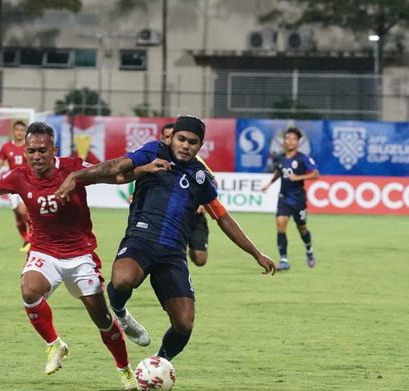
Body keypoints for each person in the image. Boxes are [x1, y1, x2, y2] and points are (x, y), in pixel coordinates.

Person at [0, 122, 168, 390]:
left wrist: (143, 170)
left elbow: (116, 177)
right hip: (44, 252)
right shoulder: (19, 175)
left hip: (80, 256)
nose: (36, 156)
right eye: (30, 151)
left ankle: (125, 369)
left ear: (53, 150)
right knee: (29, 290)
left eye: (41, 150)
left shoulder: (73, 167)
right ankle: (54, 344)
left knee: (101, 318)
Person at [55, 115, 276, 362]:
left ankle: (158, 364)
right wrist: (76, 177)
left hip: (173, 254)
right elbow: (118, 167)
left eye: (193, 142)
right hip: (141, 239)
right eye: (181, 139)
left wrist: (256, 253)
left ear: (200, 146)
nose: (185, 145)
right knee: (122, 280)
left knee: (184, 324)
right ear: (171, 138)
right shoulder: (153, 151)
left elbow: (223, 218)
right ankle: (120, 311)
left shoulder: (200, 176)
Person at [260, 127, 320, 271]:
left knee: (302, 228)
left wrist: (298, 177)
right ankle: (284, 260)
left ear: (298, 142)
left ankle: (309, 249)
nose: (290, 141)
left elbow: (316, 174)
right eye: (287, 138)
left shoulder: (303, 158)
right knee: (280, 224)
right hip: (284, 197)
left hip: (298, 199)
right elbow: (279, 172)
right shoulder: (279, 157)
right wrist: (269, 183)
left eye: (293, 139)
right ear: (284, 141)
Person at [161, 122, 212, 267]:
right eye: (167, 137)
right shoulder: (156, 157)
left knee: (200, 259)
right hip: (167, 218)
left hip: (193, 217)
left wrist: (203, 203)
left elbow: (211, 183)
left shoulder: (195, 162)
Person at [0, 120, 30, 252]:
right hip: (12, 184)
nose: (20, 133)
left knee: (24, 212)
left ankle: (33, 239)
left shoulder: (28, 147)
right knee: (17, 213)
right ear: (13, 132)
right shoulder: (6, 147)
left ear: (25, 133)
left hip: (26, 183)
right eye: (17, 130)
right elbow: (0, 160)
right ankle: (26, 239)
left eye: (22, 130)